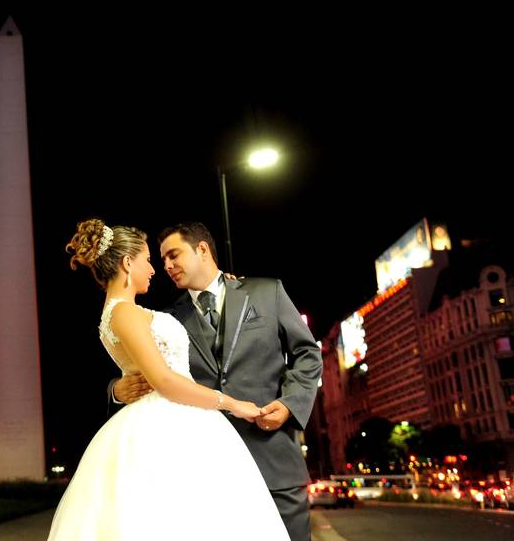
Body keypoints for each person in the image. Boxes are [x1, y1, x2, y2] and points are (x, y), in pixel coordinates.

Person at [47, 219, 289, 540]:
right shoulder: (125, 313)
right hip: (169, 419)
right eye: (148, 260)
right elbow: (163, 379)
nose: (153, 269)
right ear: (127, 262)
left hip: (167, 416)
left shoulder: (119, 314)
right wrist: (231, 404)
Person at [111, 222, 323, 541]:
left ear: (202, 249)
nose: (166, 266)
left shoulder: (267, 291)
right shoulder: (164, 319)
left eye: (173, 255)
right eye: (161, 259)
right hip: (207, 473)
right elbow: (146, 371)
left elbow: (307, 352)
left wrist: (290, 403)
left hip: (274, 460)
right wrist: (115, 389)